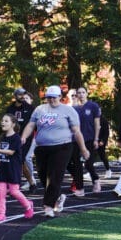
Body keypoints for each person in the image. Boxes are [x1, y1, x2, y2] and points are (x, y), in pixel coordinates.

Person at [21, 85, 90, 218]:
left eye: (54, 97)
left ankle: (48, 206)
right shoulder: (40, 109)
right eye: (49, 97)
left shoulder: (68, 110)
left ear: (60, 97)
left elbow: (76, 131)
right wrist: (23, 137)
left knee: (54, 177)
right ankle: (57, 198)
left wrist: (83, 148)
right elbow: (31, 125)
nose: (51, 100)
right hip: (42, 147)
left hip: (62, 147)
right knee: (43, 176)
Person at [0, 114, 34, 221]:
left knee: (14, 192)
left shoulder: (16, 138)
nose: (3, 122)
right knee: (0, 191)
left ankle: (28, 206)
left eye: (6, 121)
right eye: (2, 120)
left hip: (13, 169)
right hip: (3, 169)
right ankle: (1, 213)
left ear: (13, 124)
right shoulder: (2, 137)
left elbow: (11, 152)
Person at [70, 86, 102, 194]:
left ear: (87, 94)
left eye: (83, 92)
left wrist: (96, 139)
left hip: (89, 138)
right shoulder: (74, 108)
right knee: (77, 164)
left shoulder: (93, 106)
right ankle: (80, 188)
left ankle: (96, 179)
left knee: (88, 163)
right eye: (79, 92)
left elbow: (97, 124)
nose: (81, 94)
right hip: (76, 139)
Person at [5, 88, 37, 190]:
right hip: (12, 138)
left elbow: (32, 125)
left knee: (19, 160)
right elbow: (6, 123)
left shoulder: (30, 108)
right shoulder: (10, 108)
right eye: (20, 94)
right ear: (15, 96)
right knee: (19, 162)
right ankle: (31, 182)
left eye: (24, 94)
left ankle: (15, 186)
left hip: (25, 139)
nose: (22, 96)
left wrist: (25, 136)